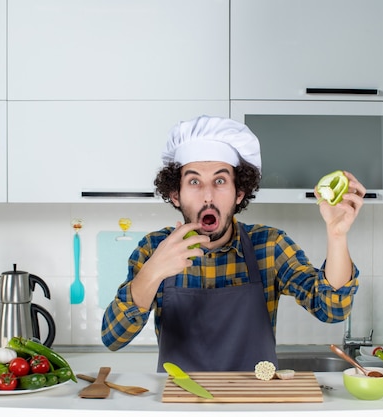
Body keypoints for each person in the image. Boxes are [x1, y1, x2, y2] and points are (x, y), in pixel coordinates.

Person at [101, 115, 366, 372]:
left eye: (220, 181)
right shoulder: (153, 248)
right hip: (179, 404)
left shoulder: (270, 246)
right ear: (175, 195)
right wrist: (154, 271)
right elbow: (113, 337)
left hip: (255, 403)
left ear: (239, 193)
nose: (208, 195)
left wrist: (337, 234)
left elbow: (332, 309)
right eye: (194, 181)